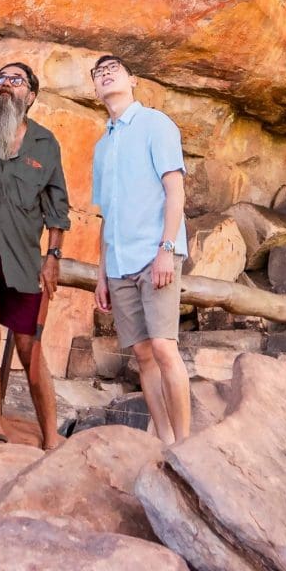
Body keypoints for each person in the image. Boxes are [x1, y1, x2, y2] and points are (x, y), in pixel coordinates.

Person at [0, 4, 71, 448]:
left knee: (29, 349)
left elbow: (57, 205)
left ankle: (50, 437)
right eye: (2, 79)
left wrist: (54, 256)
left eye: (15, 80)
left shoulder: (46, 143)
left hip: (24, 260)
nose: (5, 85)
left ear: (31, 96)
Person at [88, 52, 193, 442]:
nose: (105, 75)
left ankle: (186, 444)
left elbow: (175, 191)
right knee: (144, 354)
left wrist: (167, 248)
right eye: (99, 74)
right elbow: (106, 216)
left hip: (155, 254)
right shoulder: (102, 146)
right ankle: (165, 441)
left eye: (114, 69)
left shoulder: (155, 124)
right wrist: (101, 275)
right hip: (119, 263)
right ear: (95, 89)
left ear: (133, 80)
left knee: (165, 347)